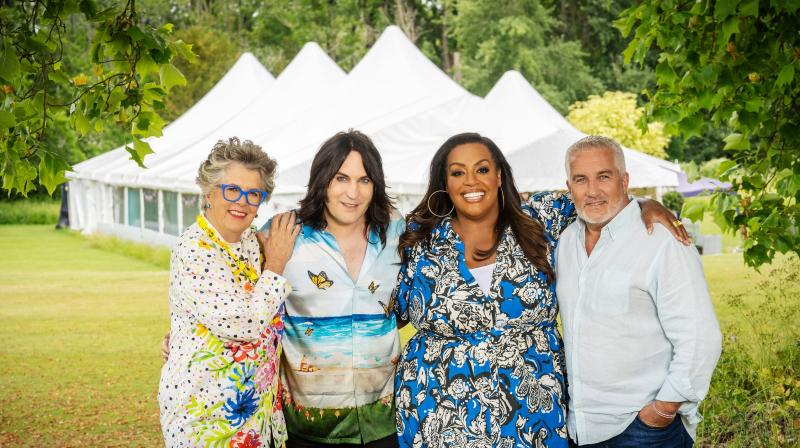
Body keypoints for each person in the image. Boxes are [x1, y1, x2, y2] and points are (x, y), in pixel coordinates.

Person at [391, 133, 686, 448]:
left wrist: (645, 204)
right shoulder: (419, 239)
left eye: (482, 169)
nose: (471, 181)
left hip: (533, 413)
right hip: (438, 410)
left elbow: (599, 199)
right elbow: (391, 310)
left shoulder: (542, 218)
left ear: (499, 176)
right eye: (457, 172)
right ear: (444, 182)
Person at [556, 135, 722, 447]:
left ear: (624, 180)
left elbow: (701, 336)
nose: (592, 190)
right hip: (580, 428)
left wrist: (663, 409)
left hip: (644, 430)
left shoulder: (661, 240)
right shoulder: (563, 242)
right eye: (581, 179)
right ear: (569, 187)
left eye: (604, 176)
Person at [264, 130, 404, 447]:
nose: (352, 192)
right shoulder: (282, 232)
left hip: (383, 424)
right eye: (341, 178)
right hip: (308, 428)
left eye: (364, 180)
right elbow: (239, 296)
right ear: (322, 180)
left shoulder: (397, 231)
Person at [158, 138, 300, 448]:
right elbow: (243, 325)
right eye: (232, 189)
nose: (242, 202)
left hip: (255, 417)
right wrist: (276, 264)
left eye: (253, 194)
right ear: (209, 191)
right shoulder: (195, 249)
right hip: (207, 421)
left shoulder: (252, 242)